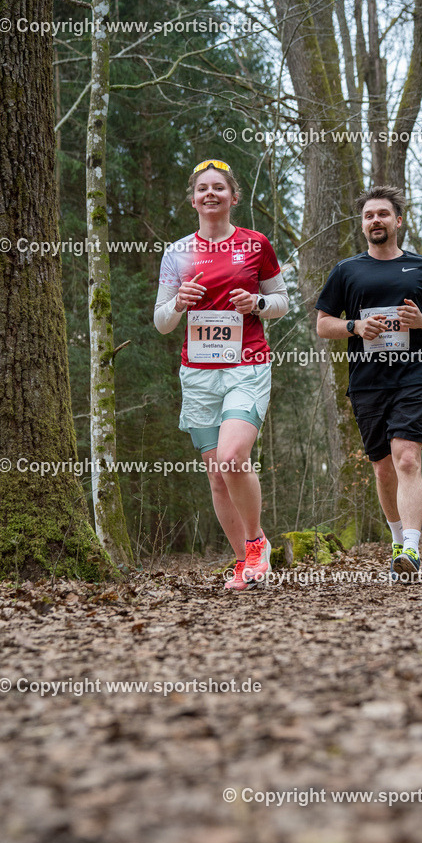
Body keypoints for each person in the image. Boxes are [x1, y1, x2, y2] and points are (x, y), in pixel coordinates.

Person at [154, 159, 289, 590]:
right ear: (193, 198)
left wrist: (257, 304)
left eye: (219, 188)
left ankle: (256, 544)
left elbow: (282, 301)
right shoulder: (177, 252)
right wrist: (178, 303)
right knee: (216, 476)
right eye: (202, 189)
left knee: (233, 457)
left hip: (246, 364)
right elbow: (161, 322)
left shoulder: (255, 244)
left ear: (234, 196)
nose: (210, 194)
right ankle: (245, 564)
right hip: (198, 374)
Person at [315, 185, 422, 577]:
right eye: (369, 215)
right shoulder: (346, 270)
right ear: (363, 224)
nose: (376, 220)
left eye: (383, 214)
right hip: (367, 382)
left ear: (398, 221)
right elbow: (323, 324)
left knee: (407, 457)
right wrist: (356, 326)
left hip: (413, 377)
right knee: (383, 469)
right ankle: (396, 539)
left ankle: (411, 548)